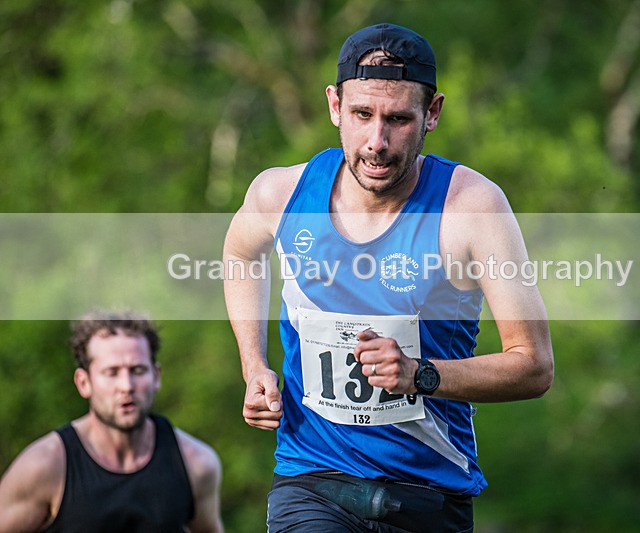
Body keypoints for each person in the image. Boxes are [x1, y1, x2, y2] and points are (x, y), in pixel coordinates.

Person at [223, 22, 554, 532]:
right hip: (312, 481)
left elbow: (534, 366)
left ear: (432, 114)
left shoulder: (471, 209)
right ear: (335, 106)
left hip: (426, 494)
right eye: (361, 115)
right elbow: (241, 254)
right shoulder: (280, 194)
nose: (376, 141)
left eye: (398, 119)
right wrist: (253, 364)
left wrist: (420, 374)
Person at [0, 312, 224, 533]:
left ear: (156, 376)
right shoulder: (45, 466)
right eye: (111, 372)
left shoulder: (196, 464)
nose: (126, 386)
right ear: (84, 382)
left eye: (138, 370)